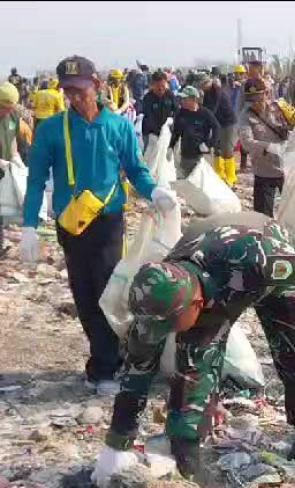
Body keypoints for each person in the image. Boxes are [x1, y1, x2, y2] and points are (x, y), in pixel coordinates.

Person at [91, 211, 295, 484]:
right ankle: (187, 457)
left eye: (171, 325)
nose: (166, 334)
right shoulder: (157, 296)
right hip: (213, 286)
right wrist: (118, 443)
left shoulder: (261, 259)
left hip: (266, 272)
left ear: (196, 304)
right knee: (192, 373)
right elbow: (138, 371)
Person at [20, 56, 177, 395]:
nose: (74, 97)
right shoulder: (51, 130)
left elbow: (135, 170)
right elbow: (34, 181)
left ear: (98, 86)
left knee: (109, 287)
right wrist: (30, 226)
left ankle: (108, 364)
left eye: (80, 90)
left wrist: (155, 191)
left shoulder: (117, 127)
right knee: (84, 293)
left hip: (108, 221)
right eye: (68, 91)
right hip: (71, 223)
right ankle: (104, 359)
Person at [238, 77, 292, 217]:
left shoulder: (281, 107)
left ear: (266, 93)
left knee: (294, 213)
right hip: (264, 171)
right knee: (263, 218)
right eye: (251, 100)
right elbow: (246, 142)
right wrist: (268, 146)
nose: (255, 103)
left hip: (287, 169)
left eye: (258, 98)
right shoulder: (246, 116)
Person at [0, 81, 33, 258]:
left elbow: (12, 138)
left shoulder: (13, 115)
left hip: (5, 168)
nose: (5, 112)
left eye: (8, 108)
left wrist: (15, 157)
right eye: (2, 108)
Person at [169, 86, 221, 179]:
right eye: (182, 98)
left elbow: (217, 128)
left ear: (194, 99)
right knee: (186, 181)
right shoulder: (181, 113)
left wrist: (209, 144)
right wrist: (171, 146)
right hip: (186, 154)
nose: (182, 101)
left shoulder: (205, 113)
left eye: (185, 98)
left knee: (202, 182)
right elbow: (176, 132)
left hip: (202, 155)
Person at [201, 76, 239, 186]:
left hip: (228, 123)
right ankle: (219, 174)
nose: (202, 87)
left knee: (227, 149)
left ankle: (231, 177)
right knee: (217, 148)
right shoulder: (207, 93)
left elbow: (213, 109)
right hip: (217, 123)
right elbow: (205, 108)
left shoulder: (217, 91)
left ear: (209, 83)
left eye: (203, 84)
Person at [139, 70, 177, 153]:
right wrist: (158, 132)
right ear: (152, 85)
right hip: (150, 133)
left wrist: (171, 124)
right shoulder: (148, 98)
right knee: (149, 154)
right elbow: (149, 118)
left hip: (166, 131)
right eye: (157, 86)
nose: (160, 89)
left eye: (163, 86)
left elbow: (177, 111)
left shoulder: (170, 95)